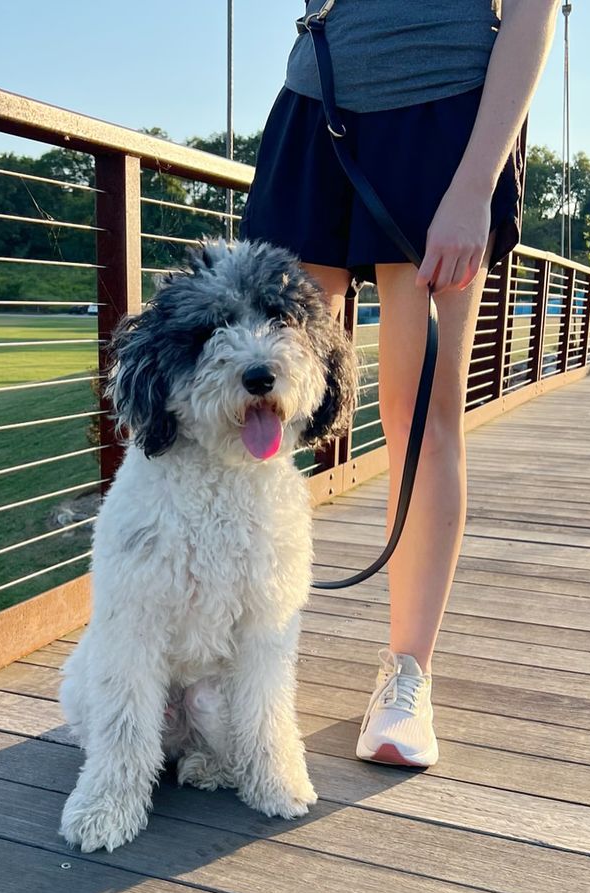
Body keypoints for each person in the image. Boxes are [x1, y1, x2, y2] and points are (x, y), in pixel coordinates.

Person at [239, 0, 560, 767]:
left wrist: (475, 185)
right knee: (263, 404)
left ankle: (406, 676)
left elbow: (533, 9)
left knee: (423, 415)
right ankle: (238, 665)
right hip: (315, 104)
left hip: (444, 115)